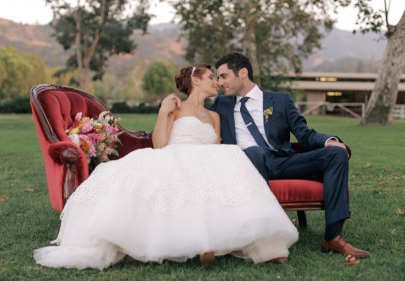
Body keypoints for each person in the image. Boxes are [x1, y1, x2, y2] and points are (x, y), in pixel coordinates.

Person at [33, 64, 299, 270]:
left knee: (230, 160)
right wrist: (163, 112)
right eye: (210, 78)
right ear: (196, 79)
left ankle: (246, 242)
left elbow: (216, 144)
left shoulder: (215, 115)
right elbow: (160, 144)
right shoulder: (175, 107)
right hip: (175, 155)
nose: (216, 83)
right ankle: (197, 243)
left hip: (209, 159)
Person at [211, 52, 370, 259]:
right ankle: (267, 236)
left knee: (336, 155)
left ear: (242, 73)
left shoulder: (280, 100)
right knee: (254, 152)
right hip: (247, 163)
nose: (220, 82)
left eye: (224, 76)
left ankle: (333, 237)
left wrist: (328, 141)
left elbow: (303, 133)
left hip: (283, 161)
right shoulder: (221, 105)